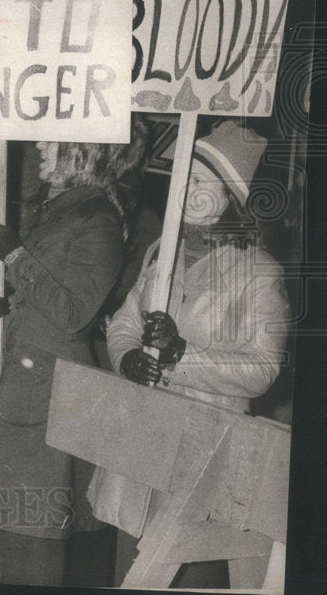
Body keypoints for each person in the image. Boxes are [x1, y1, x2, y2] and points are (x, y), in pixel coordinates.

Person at [90, 120, 291, 588]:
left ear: (233, 196)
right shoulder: (165, 251)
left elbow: (262, 371)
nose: (186, 192)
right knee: (130, 564)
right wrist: (127, 358)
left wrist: (181, 355)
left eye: (200, 182)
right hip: (141, 441)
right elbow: (124, 322)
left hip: (206, 451)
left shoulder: (260, 272)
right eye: (184, 179)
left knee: (184, 569)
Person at [0, 132, 148, 586]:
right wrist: (2, 298)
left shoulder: (97, 221)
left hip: (46, 396)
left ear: (85, 150)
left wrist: (14, 253)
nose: (39, 146)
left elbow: (75, 314)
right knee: (0, 530)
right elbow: (44, 290)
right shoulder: (59, 210)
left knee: (30, 539)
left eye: (52, 141)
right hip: (20, 383)